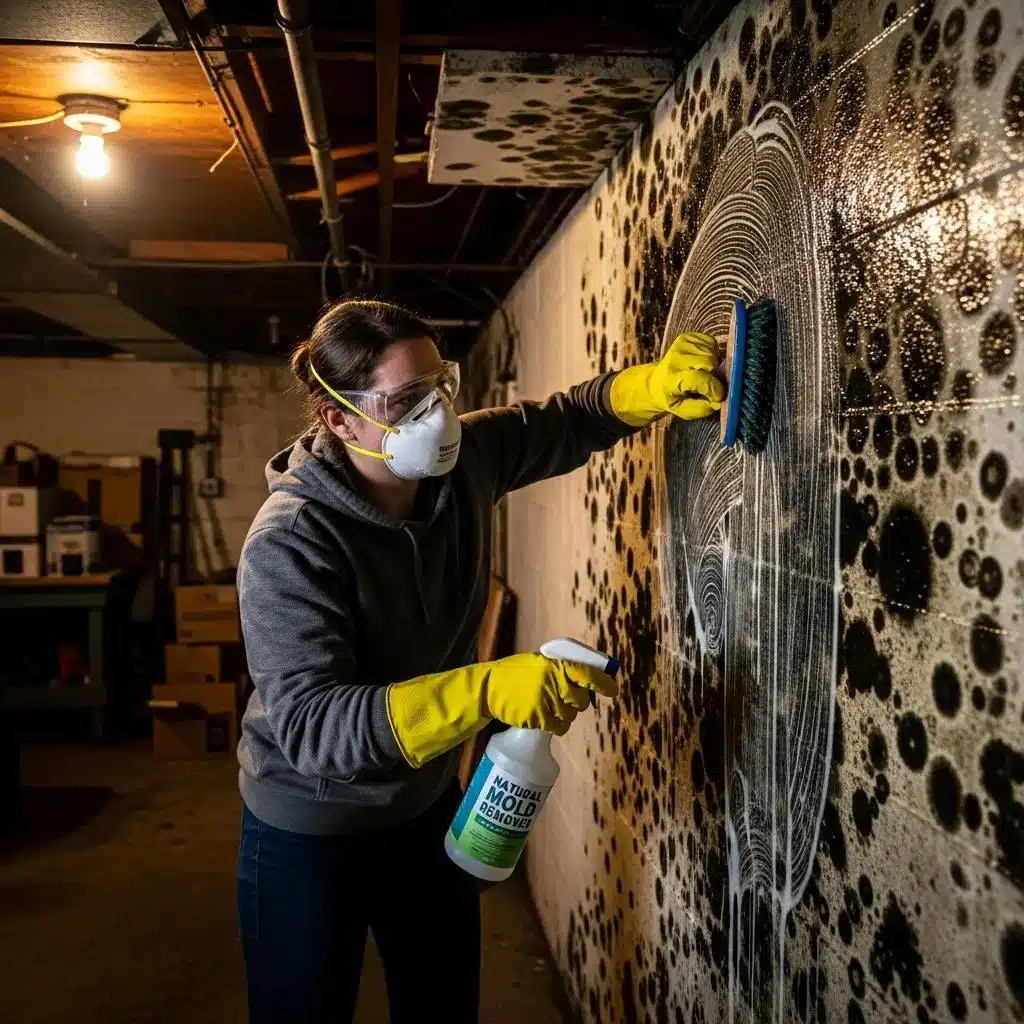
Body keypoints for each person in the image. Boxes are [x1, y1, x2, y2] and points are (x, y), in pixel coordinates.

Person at [235, 299, 723, 1023]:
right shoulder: (290, 541)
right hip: (309, 831)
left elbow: (560, 422)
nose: (435, 416)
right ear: (338, 418)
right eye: (405, 401)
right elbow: (313, 730)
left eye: (440, 387)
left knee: (442, 1004)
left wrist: (649, 388)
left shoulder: (459, 468)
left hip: (423, 806)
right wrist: (487, 689)